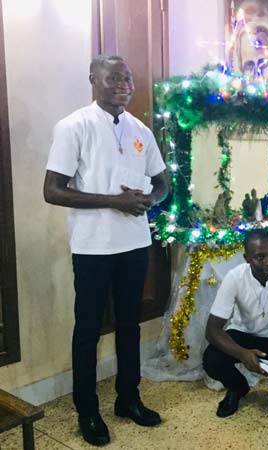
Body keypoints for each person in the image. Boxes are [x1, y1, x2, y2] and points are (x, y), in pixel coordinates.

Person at [43, 55, 168, 446]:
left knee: (130, 325)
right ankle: (87, 410)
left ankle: (128, 398)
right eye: (114, 78)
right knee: (88, 331)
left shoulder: (140, 130)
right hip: (93, 248)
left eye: (127, 78)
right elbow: (53, 190)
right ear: (93, 80)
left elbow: (163, 182)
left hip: (135, 244)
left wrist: (149, 200)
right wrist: (114, 202)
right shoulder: (73, 126)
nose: (123, 85)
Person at [203, 229, 268, 417]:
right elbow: (212, 330)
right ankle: (237, 388)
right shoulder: (234, 277)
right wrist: (243, 354)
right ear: (247, 258)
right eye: (260, 257)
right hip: (242, 334)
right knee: (212, 360)